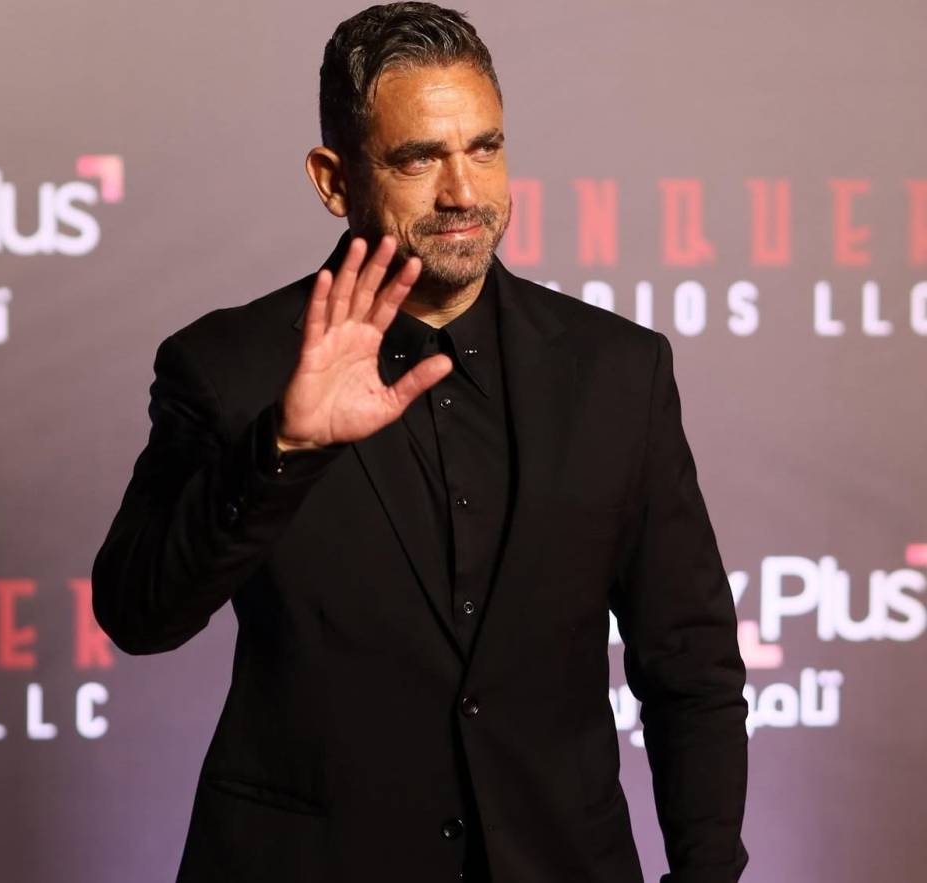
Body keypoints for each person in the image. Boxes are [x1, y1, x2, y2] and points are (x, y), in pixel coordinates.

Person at [92, 3, 749, 882]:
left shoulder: (618, 372)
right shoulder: (231, 367)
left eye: (484, 148)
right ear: (334, 180)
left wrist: (706, 872)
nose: (463, 193)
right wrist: (283, 448)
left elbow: (690, 665)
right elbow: (138, 615)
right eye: (417, 159)